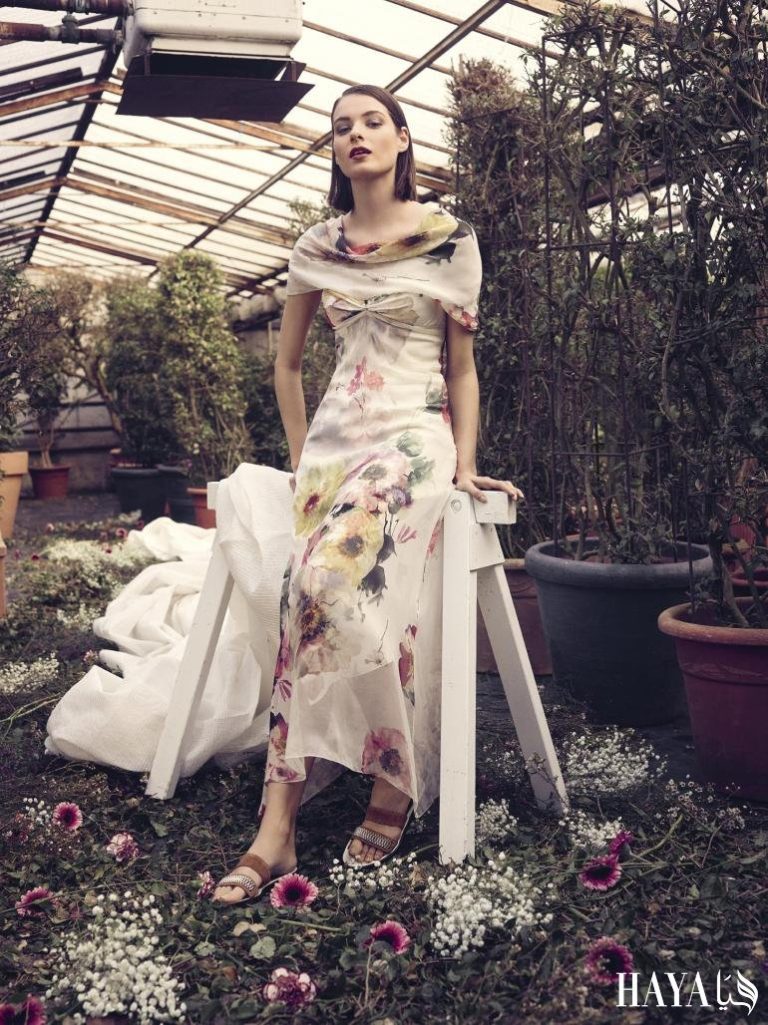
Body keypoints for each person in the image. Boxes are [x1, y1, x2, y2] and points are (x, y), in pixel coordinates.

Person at [213, 83, 524, 904]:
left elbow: (462, 369)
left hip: (411, 440)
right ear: (335, 150)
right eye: (341, 127)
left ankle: (389, 774)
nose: (355, 134)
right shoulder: (318, 245)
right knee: (300, 592)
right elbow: (287, 365)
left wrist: (464, 463)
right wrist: (300, 458)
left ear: (401, 139)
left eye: (372, 122)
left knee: (330, 580)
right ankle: (279, 822)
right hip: (334, 448)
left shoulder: (450, 239)